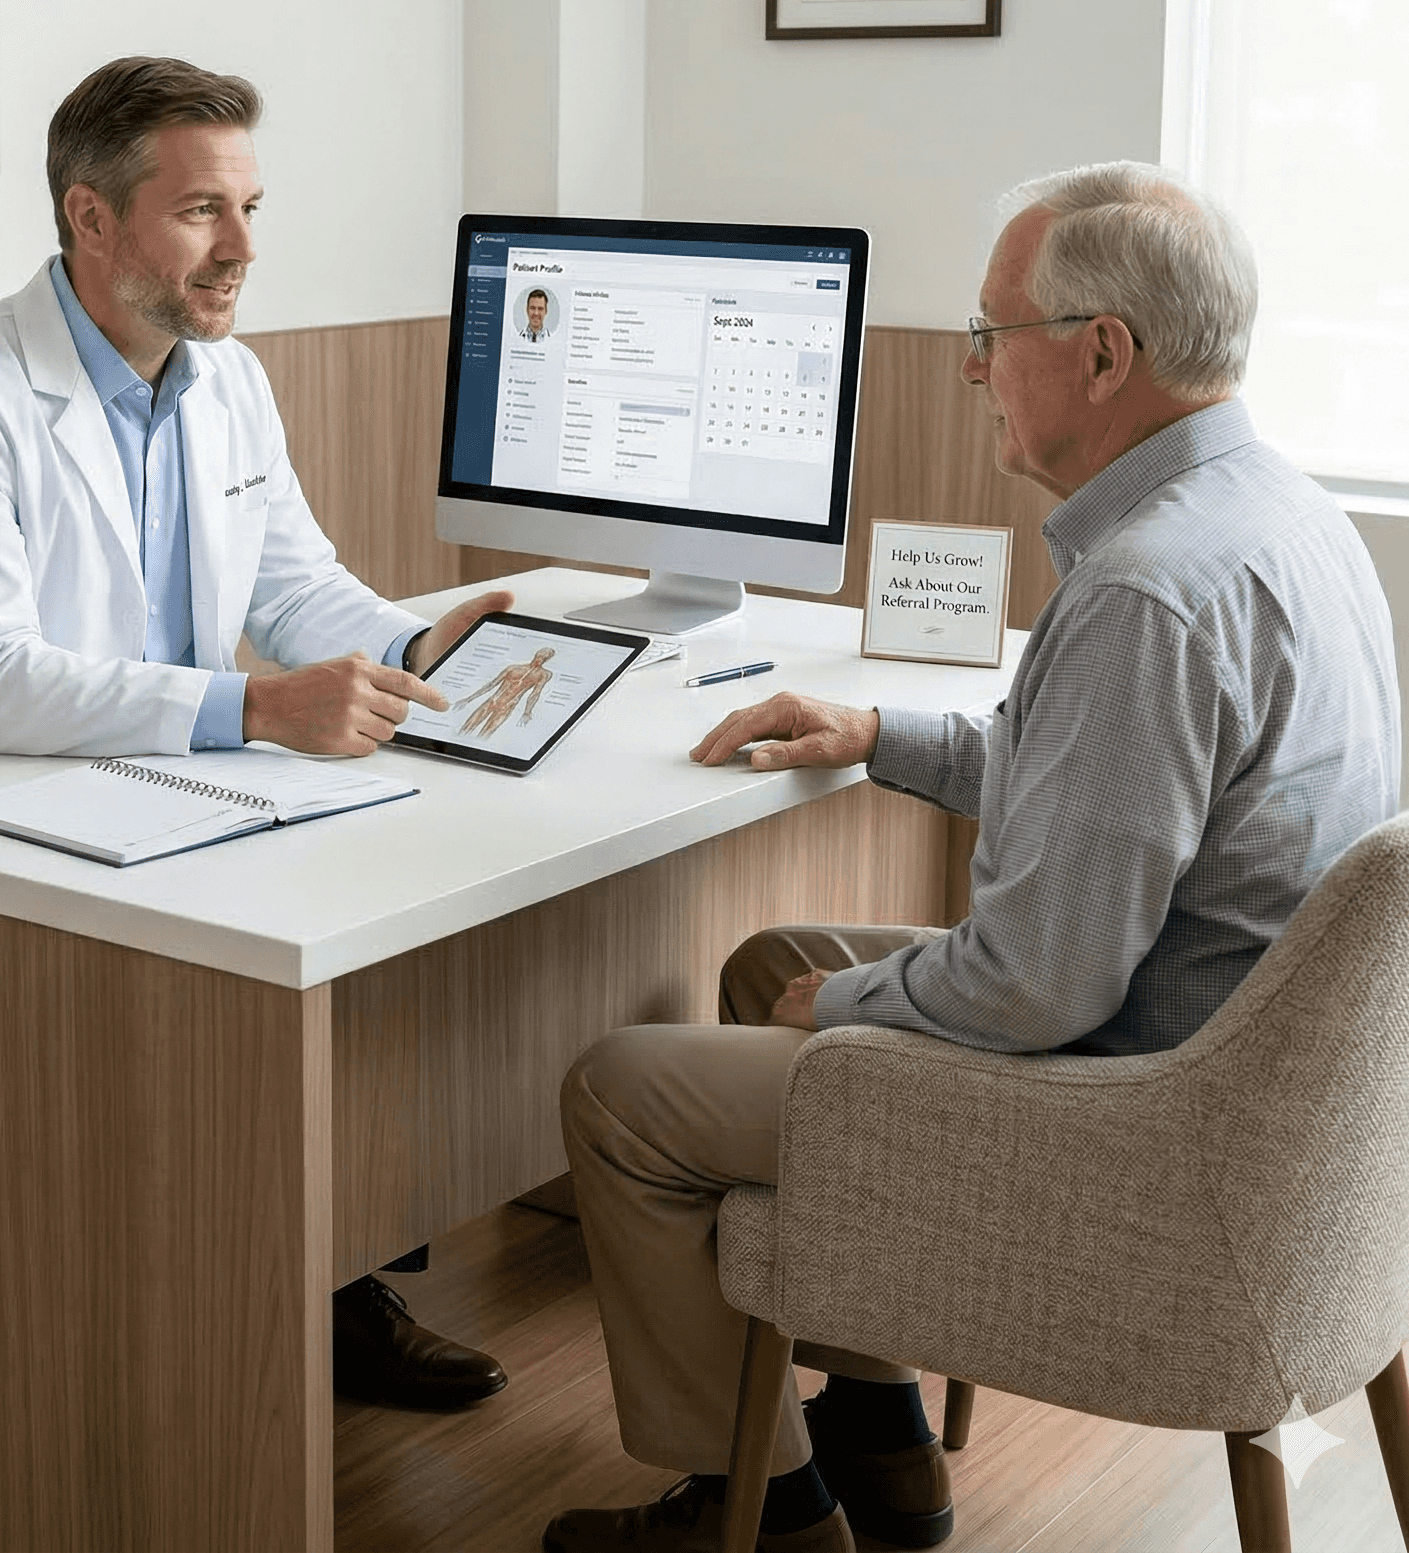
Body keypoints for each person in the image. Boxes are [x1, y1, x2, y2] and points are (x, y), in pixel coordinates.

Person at [544, 163, 1401, 1553]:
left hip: (1138, 1118)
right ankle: (878, 1429)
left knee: (621, 1089)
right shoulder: (1279, 516)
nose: (973, 368)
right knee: (773, 955)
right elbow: (1116, 792)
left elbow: (1034, 991)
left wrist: (844, 1014)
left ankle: (756, 1515)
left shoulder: (1145, 590)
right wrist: (881, 734)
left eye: (995, 332)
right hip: (1261, 1092)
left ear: (1103, 352)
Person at [0, 53, 518, 1413]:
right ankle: (172, 1326)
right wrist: (257, 707)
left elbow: (292, 583)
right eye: (206, 210)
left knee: (376, 926)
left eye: (253, 208)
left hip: (157, 784)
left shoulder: (226, 381)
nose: (245, 248)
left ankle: (320, 1273)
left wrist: (411, 644)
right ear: (93, 219)